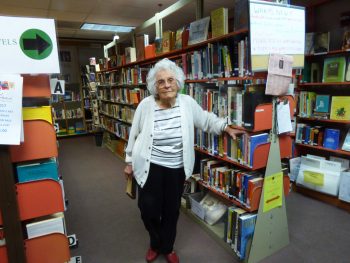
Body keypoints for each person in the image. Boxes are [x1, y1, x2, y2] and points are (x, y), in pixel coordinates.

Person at [124, 58, 243, 263]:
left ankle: (167, 247)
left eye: (171, 79)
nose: (167, 85)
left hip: (176, 168)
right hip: (149, 165)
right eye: (161, 82)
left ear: (178, 82)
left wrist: (224, 126)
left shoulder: (187, 103)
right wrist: (128, 161)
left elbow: (205, 119)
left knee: (171, 210)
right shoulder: (146, 105)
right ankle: (155, 242)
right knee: (148, 209)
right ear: (155, 86)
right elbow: (134, 133)